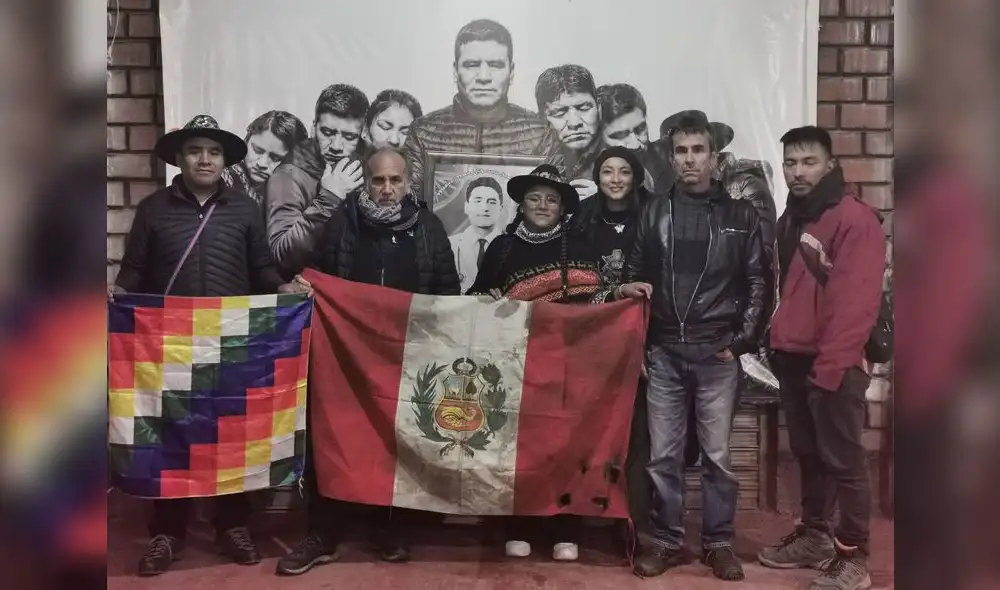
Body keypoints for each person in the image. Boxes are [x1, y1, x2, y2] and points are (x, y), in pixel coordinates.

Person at [109, 114, 310, 576]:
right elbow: (134, 273)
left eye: (214, 152)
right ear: (180, 158)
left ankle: (232, 525)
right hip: (169, 348)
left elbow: (261, 269)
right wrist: (117, 295)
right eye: (196, 150)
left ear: (223, 161)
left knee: (231, 433)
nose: (205, 158)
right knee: (170, 435)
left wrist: (284, 289)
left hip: (232, 341)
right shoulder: (154, 209)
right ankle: (167, 531)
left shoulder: (242, 209)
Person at [275, 148, 459, 576]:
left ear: (409, 182)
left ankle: (388, 529)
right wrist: (300, 287)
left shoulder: (429, 229)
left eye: (396, 180)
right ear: (365, 182)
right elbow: (313, 275)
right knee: (332, 440)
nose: (388, 189)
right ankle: (322, 533)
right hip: (344, 358)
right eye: (379, 180)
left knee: (396, 444)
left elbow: (449, 293)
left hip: (407, 360)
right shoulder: (341, 223)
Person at [617, 110, 766, 582]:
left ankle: (719, 543)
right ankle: (664, 540)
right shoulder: (654, 210)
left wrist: (741, 342)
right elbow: (634, 273)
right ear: (670, 157)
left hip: (716, 354)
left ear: (714, 157)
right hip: (663, 351)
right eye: (680, 151)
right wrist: (636, 324)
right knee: (663, 455)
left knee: (718, 457)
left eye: (697, 150)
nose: (689, 160)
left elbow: (761, 282)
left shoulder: (742, 215)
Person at [757, 126, 886, 590]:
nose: (797, 171)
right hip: (792, 357)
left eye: (808, 161)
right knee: (810, 455)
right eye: (790, 162)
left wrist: (832, 368)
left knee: (844, 461)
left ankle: (855, 556)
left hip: (832, 363)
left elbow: (855, 305)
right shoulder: (793, 217)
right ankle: (815, 536)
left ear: (830, 165)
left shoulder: (855, 219)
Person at [467, 164, 608, 562]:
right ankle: (521, 526)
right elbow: (478, 294)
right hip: (516, 365)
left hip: (569, 363)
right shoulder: (503, 248)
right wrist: (487, 296)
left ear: (562, 206)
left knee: (567, 445)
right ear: (522, 203)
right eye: (535, 197)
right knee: (520, 447)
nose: (543, 205)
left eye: (551, 199)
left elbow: (599, 299)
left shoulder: (581, 244)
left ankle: (566, 528)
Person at [570, 146, 655, 545]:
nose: (616, 179)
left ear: (636, 177)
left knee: (639, 434)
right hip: (595, 340)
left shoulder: (656, 214)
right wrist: (614, 293)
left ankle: (634, 524)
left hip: (647, 339)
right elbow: (574, 284)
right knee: (591, 429)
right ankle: (584, 520)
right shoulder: (582, 218)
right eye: (607, 171)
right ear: (598, 176)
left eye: (624, 171)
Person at [403, 19, 562, 202]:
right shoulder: (423, 132)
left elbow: (554, 206)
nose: (484, 77)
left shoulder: (541, 133)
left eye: (495, 65)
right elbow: (408, 204)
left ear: (511, 72)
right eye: (472, 65)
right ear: (455, 71)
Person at [266, 84, 370, 274]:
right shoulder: (289, 174)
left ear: (363, 134)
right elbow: (283, 255)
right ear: (314, 127)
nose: (336, 146)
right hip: (312, 294)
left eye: (349, 137)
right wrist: (328, 199)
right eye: (327, 133)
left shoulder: (367, 164)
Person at [536, 64, 604, 200]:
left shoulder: (625, 165)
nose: (574, 123)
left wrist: (608, 200)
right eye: (560, 112)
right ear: (544, 119)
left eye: (584, 108)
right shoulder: (534, 163)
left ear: (599, 109)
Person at [221, 110, 309, 212]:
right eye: (257, 150)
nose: (261, 163)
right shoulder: (224, 178)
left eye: (276, 158)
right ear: (246, 140)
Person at [450, 175, 506, 293]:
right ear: (466, 206)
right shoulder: (449, 244)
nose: (484, 208)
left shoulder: (511, 247)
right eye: (478, 201)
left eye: (491, 202)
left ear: (500, 209)